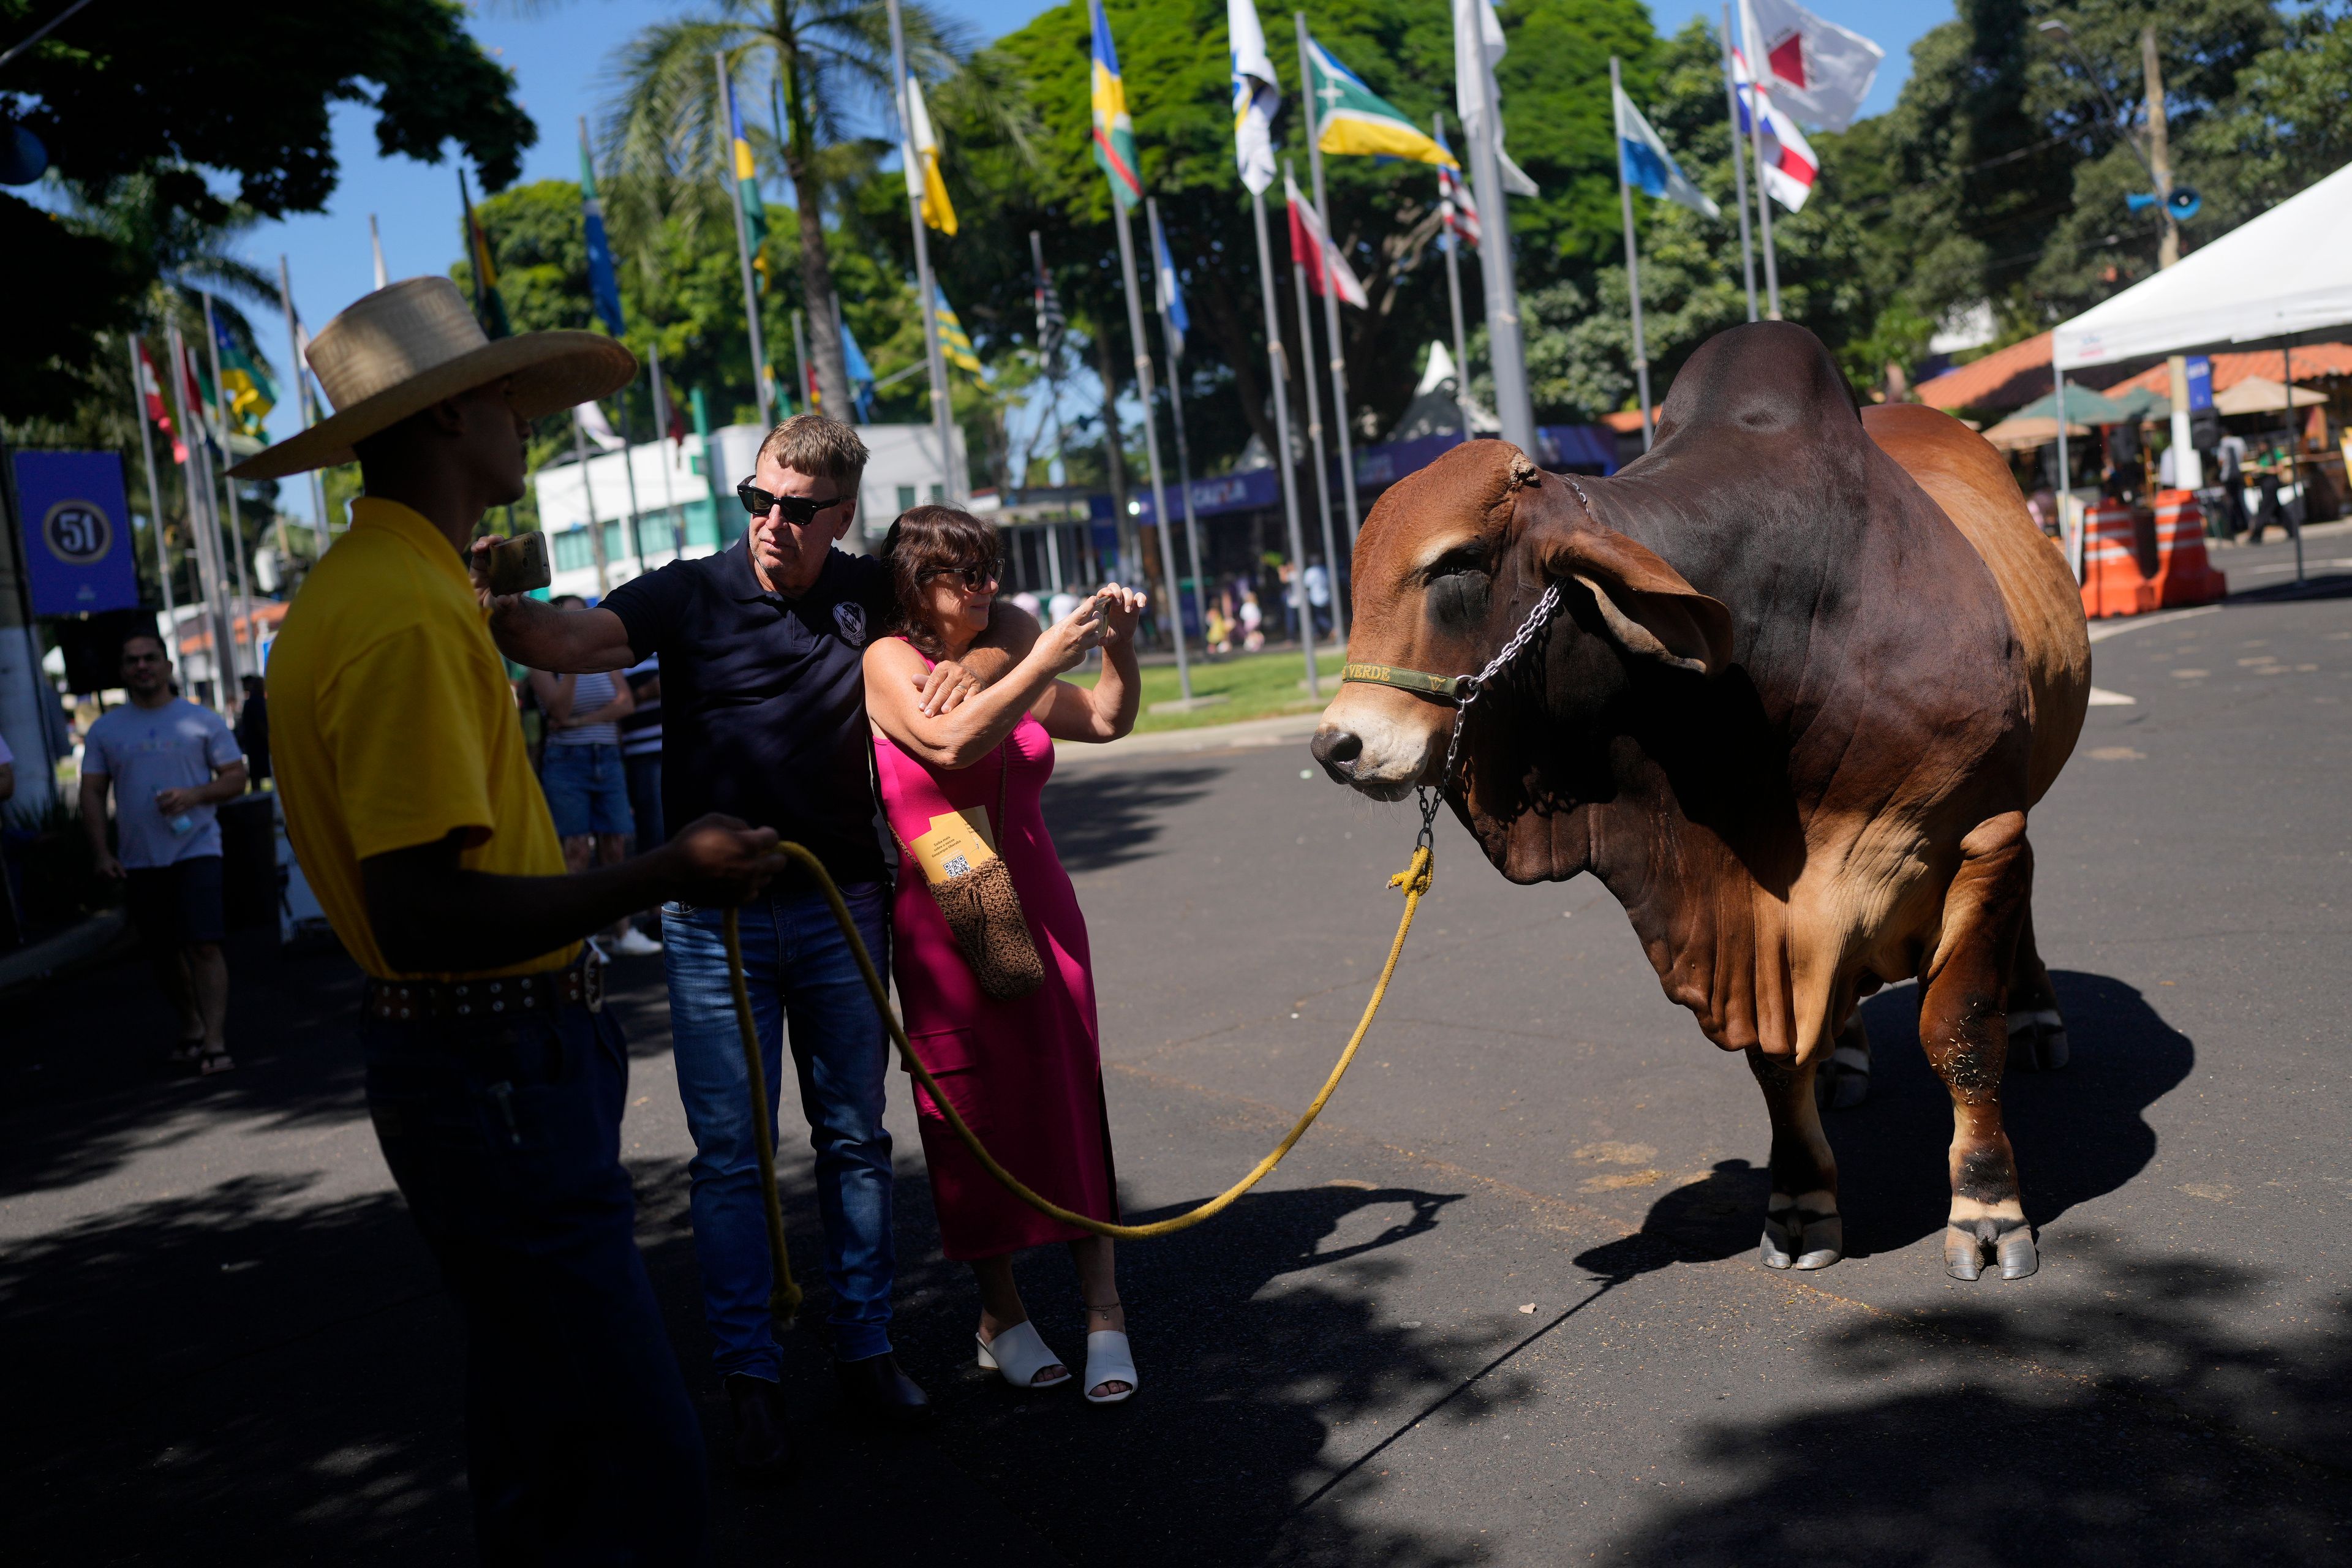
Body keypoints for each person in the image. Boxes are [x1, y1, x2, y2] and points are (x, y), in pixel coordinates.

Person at [230, 276, 786, 1559]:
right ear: (439, 422)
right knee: (636, 1453)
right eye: (495, 392)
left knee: (540, 1433)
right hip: (494, 1066)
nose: (519, 412)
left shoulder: (381, 588)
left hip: (481, 1061)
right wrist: (665, 869)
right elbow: (421, 905)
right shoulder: (404, 614)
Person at [478, 413, 1039, 1471]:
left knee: (856, 1141)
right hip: (711, 927)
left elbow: (996, 614)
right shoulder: (689, 588)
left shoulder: (868, 588)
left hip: (839, 908)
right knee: (732, 1160)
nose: (773, 524)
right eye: (759, 501)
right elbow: (570, 641)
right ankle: (750, 1376)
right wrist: (488, 603)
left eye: (798, 509)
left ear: (842, 516)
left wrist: (993, 657)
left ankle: (866, 1350)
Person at [863, 506, 1144, 1403]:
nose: (985, 586)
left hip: (1036, 890)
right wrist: (1032, 660)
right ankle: (1001, 1316)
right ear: (917, 586)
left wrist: (1120, 649)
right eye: (962, 573)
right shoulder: (890, 665)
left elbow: (1105, 721)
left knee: (1068, 1087)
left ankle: (1105, 1311)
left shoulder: (999, 655)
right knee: (975, 1102)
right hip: (958, 893)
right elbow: (951, 740)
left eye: (989, 568)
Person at [79, 631, 247, 1076]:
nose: (142, 667)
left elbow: (236, 778)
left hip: (198, 848)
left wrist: (195, 795)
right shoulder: (106, 729)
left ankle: (215, 1039)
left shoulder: (200, 720)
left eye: (150, 658)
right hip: (140, 858)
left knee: (205, 943)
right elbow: (92, 792)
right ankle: (191, 1023)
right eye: (132, 661)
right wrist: (101, 852)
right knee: (164, 953)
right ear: (122, 671)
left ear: (168, 666)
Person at [532, 597, 660, 957]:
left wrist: (580, 722)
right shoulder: (541, 663)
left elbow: (626, 703)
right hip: (566, 762)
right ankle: (580, 939)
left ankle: (622, 932)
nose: (581, 622)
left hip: (607, 757)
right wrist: (570, 662)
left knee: (615, 845)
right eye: (572, 616)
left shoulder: (604, 660)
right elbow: (557, 708)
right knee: (574, 851)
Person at [235, 674, 271, 785]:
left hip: (257, 743)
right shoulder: (255, 701)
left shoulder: (254, 701)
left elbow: (260, 723)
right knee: (258, 771)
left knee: (258, 771)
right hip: (256, 743)